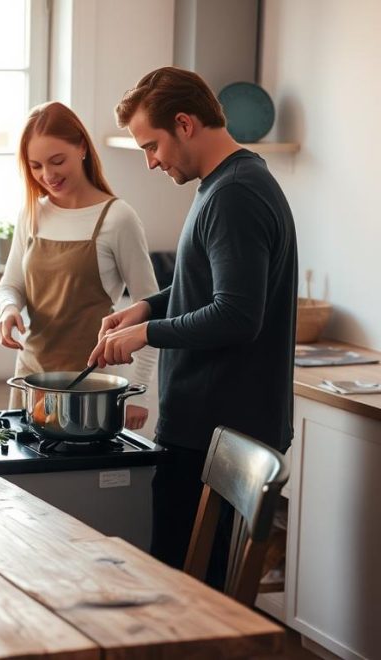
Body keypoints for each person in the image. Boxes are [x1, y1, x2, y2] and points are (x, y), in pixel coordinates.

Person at [89, 67, 298, 586]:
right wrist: (147, 308)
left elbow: (236, 314)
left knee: (184, 599)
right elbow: (206, 288)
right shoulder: (223, 185)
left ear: (184, 124)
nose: (150, 161)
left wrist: (145, 335)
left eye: (151, 145)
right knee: (183, 590)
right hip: (208, 427)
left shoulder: (235, 195)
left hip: (218, 431)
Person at [0, 101, 158, 430]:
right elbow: (9, 285)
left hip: (93, 388)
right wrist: (8, 310)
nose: (48, 175)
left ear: (81, 147)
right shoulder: (32, 213)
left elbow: (151, 308)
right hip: (31, 380)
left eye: (57, 161)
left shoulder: (117, 218)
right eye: (36, 166)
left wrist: (138, 395)